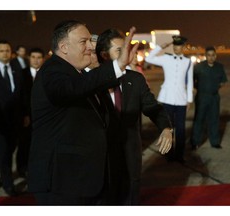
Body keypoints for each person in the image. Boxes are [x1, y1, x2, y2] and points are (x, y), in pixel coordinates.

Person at [28, 20, 139, 205]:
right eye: (83, 42)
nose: (90, 47)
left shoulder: (78, 74)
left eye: (90, 41)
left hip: (84, 180)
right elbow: (71, 89)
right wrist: (116, 66)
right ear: (64, 47)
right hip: (63, 183)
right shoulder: (52, 71)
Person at [95, 28, 172, 205]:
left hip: (130, 153)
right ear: (104, 55)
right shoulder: (93, 81)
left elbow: (153, 107)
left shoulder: (135, 80)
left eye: (127, 49)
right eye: (119, 50)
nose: (126, 54)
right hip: (102, 158)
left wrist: (166, 128)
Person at [145, 35, 193, 163]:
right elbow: (148, 58)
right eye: (175, 45)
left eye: (179, 46)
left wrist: (189, 100)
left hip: (181, 100)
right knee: (168, 129)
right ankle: (169, 155)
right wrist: (161, 46)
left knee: (181, 130)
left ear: (183, 47)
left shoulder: (188, 62)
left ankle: (180, 155)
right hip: (167, 99)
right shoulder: (166, 58)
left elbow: (190, 82)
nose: (177, 48)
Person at [0, 40, 23, 196]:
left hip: (16, 118)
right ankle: (8, 186)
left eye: (7, 50)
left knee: (11, 149)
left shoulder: (17, 67)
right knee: (4, 153)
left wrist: (25, 113)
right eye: (1, 51)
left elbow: (22, 93)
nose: (5, 53)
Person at [191, 46, 228, 149]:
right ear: (205, 56)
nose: (211, 57)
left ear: (215, 56)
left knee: (214, 119)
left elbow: (223, 81)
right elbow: (192, 79)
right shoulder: (199, 67)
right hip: (202, 97)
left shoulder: (219, 67)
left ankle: (215, 142)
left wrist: (215, 87)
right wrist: (196, 88)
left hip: (214, 97)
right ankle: (195, 142)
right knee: (199, 119)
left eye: (213, 55)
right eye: (209, 55)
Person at [16, 47, 45, 178]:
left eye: (39, 57)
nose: (36, 60)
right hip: (26, 116)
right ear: (29, 58)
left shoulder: (46, 74)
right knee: (24, 143)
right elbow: (19, 96)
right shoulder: (21, 73)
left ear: (43, 59)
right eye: (33, 57)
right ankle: (22, 168)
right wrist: (24, 114)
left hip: (43, 116)